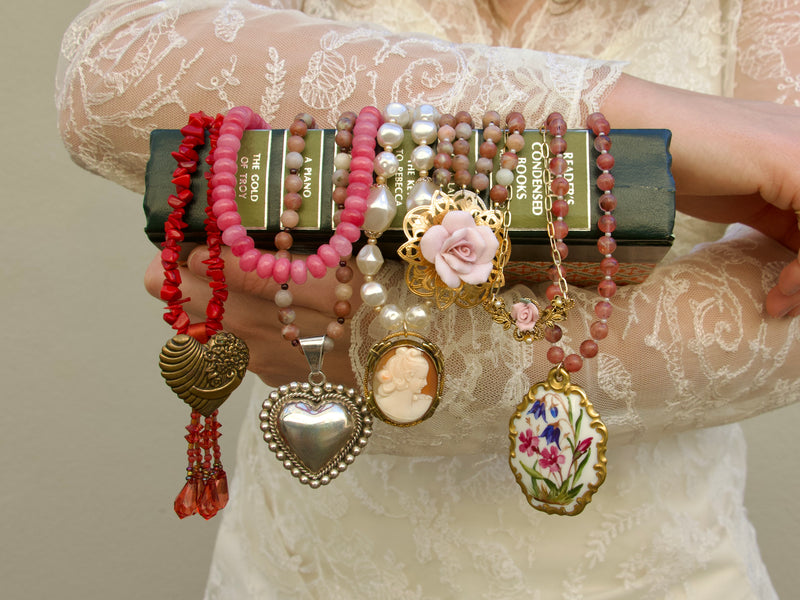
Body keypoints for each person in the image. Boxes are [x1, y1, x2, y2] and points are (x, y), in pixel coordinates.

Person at [57, 1, 800, 597]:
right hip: (308, 568)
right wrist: (629, 112)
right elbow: (108, 71)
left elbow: (783, 328)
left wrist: (385, 352)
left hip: (658, 569)